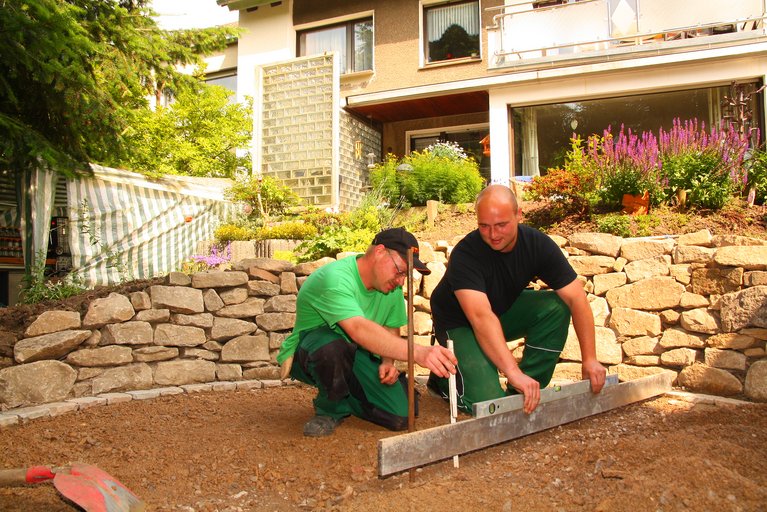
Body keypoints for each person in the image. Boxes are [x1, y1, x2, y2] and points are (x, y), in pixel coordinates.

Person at [429, 184, 606, 415]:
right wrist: (511, 370)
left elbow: (576, 299)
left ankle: (524, 389)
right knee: (488, 404)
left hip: (498, 312)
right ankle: (443, 377)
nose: (493, 235)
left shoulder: (537, 244)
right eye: (484, 226)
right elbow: (481, 318)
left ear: (518, 215)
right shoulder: (465, 254)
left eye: (501, 225)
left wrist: (590, 359)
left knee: (556, 306)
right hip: (459, 322)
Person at [277, 227, 458, 437]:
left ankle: (348, 393)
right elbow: (358, 330)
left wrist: (387, 362)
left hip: (356, 354)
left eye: (406, 275)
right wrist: (418, 353)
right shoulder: (335, 279)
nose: (401, 281)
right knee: (333, 347)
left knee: (401, 415)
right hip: (313, 350)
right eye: (400, 271)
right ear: (380, 251)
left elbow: (391, 326)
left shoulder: (391, 288)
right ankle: (330, 410)